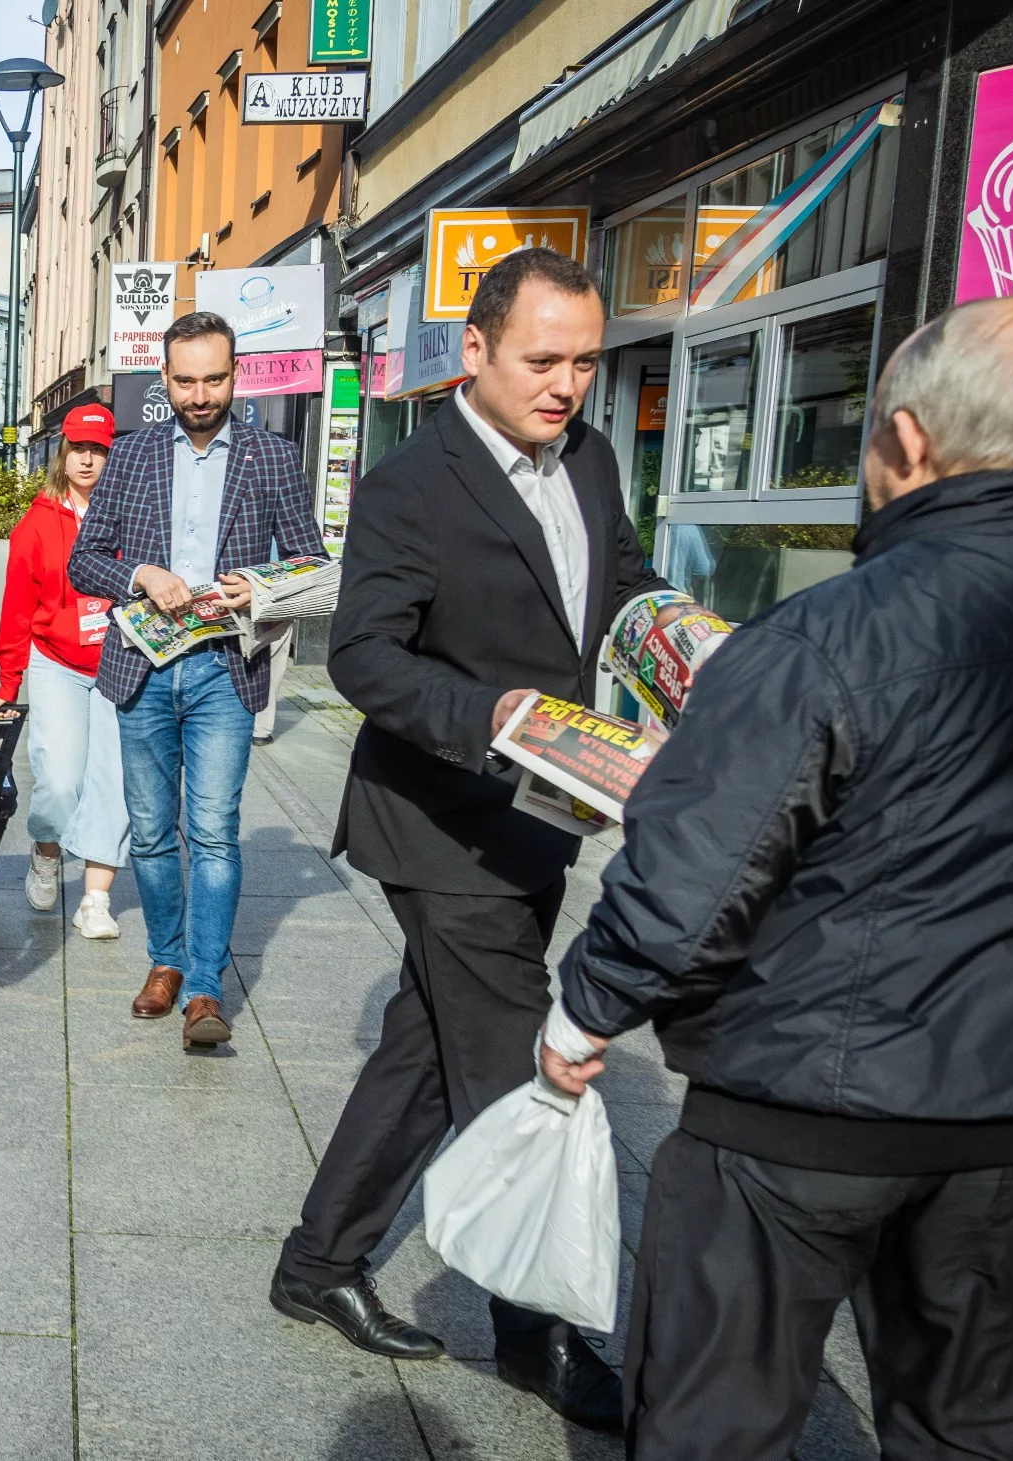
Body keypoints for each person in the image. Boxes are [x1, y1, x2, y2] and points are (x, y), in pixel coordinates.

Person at [539, 296, 1013, 1457]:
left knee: (714, 1418)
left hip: (795, 1115)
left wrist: (586, 1007)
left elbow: (695, 872)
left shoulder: (824, 638)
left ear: (904, 441)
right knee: (979, 1428)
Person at [268, 250, 673, 1433]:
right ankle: (535, 1337)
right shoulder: (410, 483)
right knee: (510, 1067)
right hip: (438, 821)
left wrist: (673, 636)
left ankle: (317, 1263)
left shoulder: (590, 460)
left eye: (586, 363)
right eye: (542, 360)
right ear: (476, 350)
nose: (566, 386)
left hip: (540, 823)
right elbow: (360, 655)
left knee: (423, 1048)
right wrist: (485, 718)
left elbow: (625, 580)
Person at [67, 312, 320, 1049]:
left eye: (214, 378)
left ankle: (205, 986)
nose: (200, 393)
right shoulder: (134, 454)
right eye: (185, 380)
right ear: (165, 379)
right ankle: (166, 960)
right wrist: (140, 572)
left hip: (224, 668)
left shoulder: (270, 458)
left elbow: (312, 566)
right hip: (143, 668)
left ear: (235, 374)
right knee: (149, 834)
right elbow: (84, 562)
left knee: (211, 832)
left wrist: (262, 589)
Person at [0, 403, 129, 940]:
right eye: (79, 448)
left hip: (119, 662)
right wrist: (8, 684)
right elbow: (16, 610)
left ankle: (96, 900)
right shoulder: (37, 523)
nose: (88, 460)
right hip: (56, 662)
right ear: (62, 452)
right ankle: (46, 849)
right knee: (58, 780)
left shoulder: (129, 516)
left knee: (114, 783)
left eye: (99, 449)